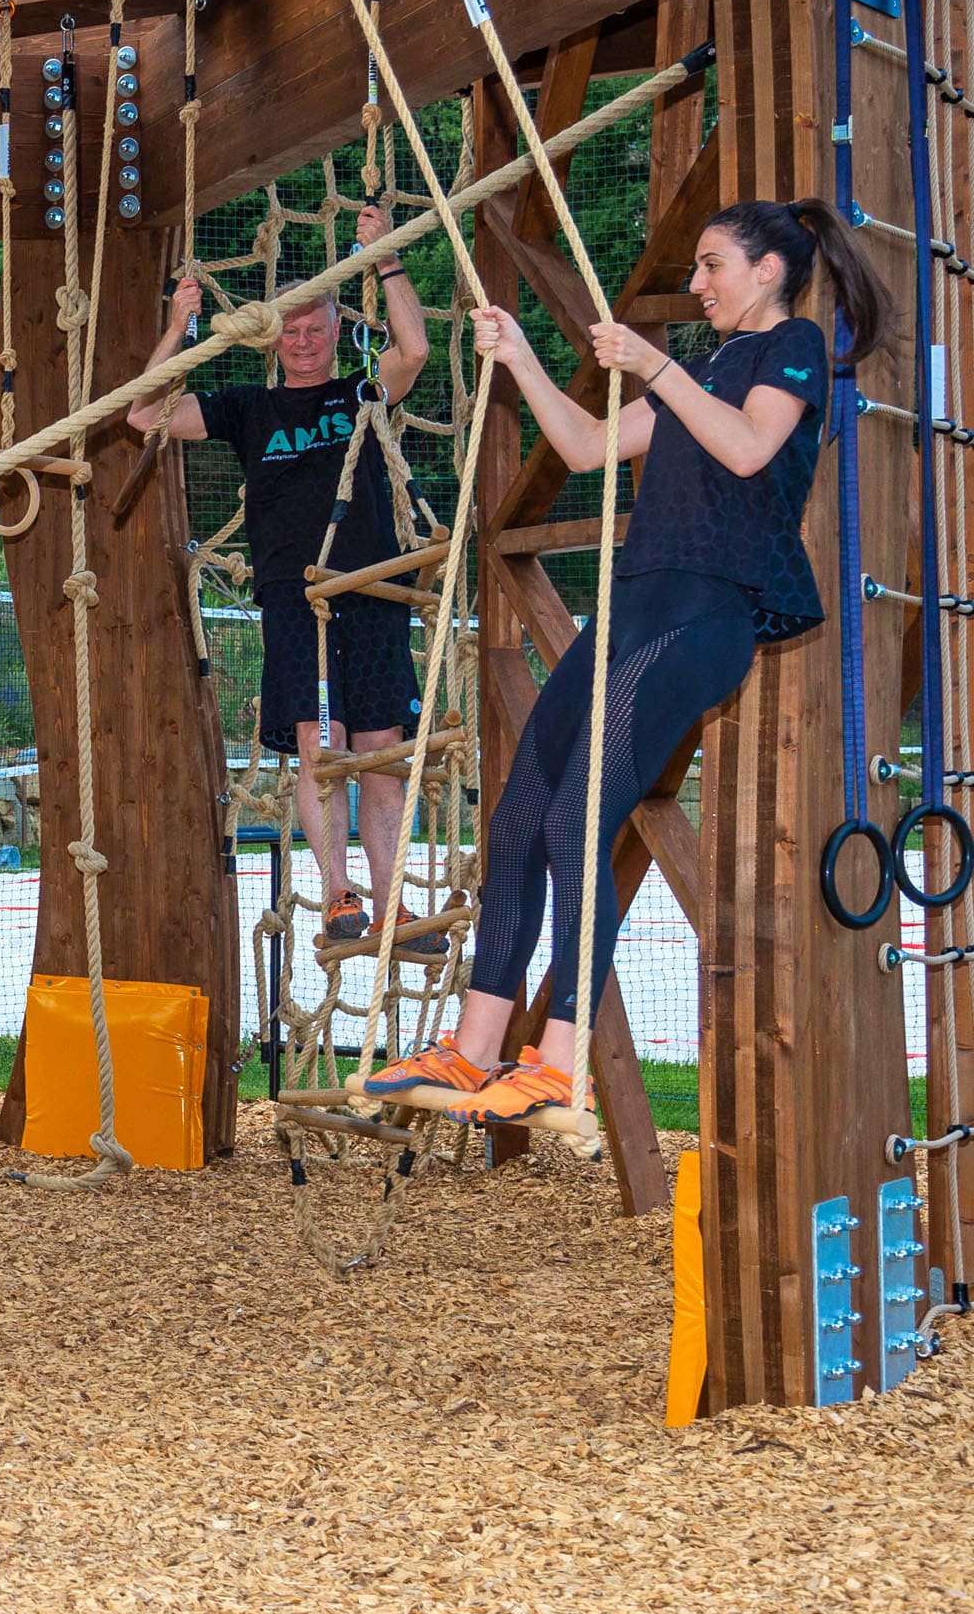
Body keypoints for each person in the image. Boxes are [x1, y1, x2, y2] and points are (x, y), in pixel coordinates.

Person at [366, 198, 881, 1122]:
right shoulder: (714, 362)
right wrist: (519, 356)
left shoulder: (792, 344)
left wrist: (655, 367)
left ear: (768, 270)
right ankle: (475, 1047)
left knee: (578, 815)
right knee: (522, 813)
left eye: (712, 265)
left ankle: (561, 1059)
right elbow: (590, 445)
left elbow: (752, 448)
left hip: (707, 614)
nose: (696, 283)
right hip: (638, 603)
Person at [128, 203, 430, 944]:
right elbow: (142, 414)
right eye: (291, 331)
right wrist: (179, 326)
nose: (302, 341)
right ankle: (339, 897)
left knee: (382, 754)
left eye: (314, 328)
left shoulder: (358, 391)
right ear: (275, 338)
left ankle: (393, 903)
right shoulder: (249, 409)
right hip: (297, 594)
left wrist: (383, 258)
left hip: (372, 587)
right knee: (318, 747)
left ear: (334, 331)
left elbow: (415, 349)